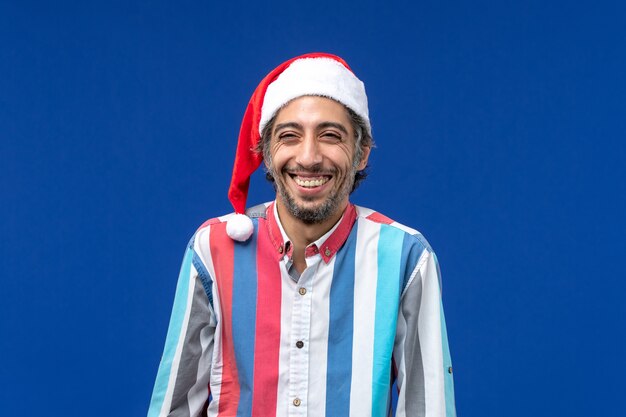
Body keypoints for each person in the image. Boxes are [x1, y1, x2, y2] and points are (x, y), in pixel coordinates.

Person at [148, 52, 456, 417]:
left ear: (361, 153)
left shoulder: (405, 257)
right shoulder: (213, 249)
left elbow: (429, 408)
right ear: (264, 152)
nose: (308, 157)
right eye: (289, 136)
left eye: (330, 135)